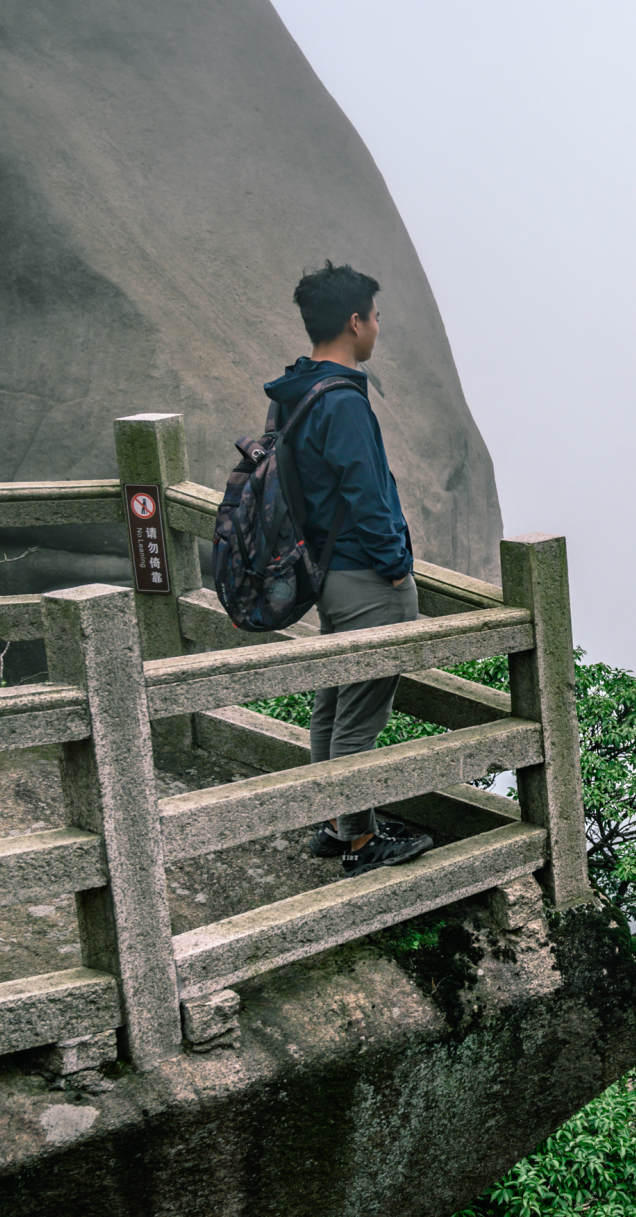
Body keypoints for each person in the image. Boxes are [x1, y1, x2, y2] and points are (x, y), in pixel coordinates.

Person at [265, 261, 434, 874]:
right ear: (355, 321)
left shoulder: (299, 391)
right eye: (376, 317)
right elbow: (366, 495)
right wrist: (395, 567)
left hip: (329, 575)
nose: (379, 328)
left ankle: (336, 825)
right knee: (359, 715)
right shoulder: (342, 403)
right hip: (368, 578)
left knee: (333, 706)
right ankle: (361, 843)